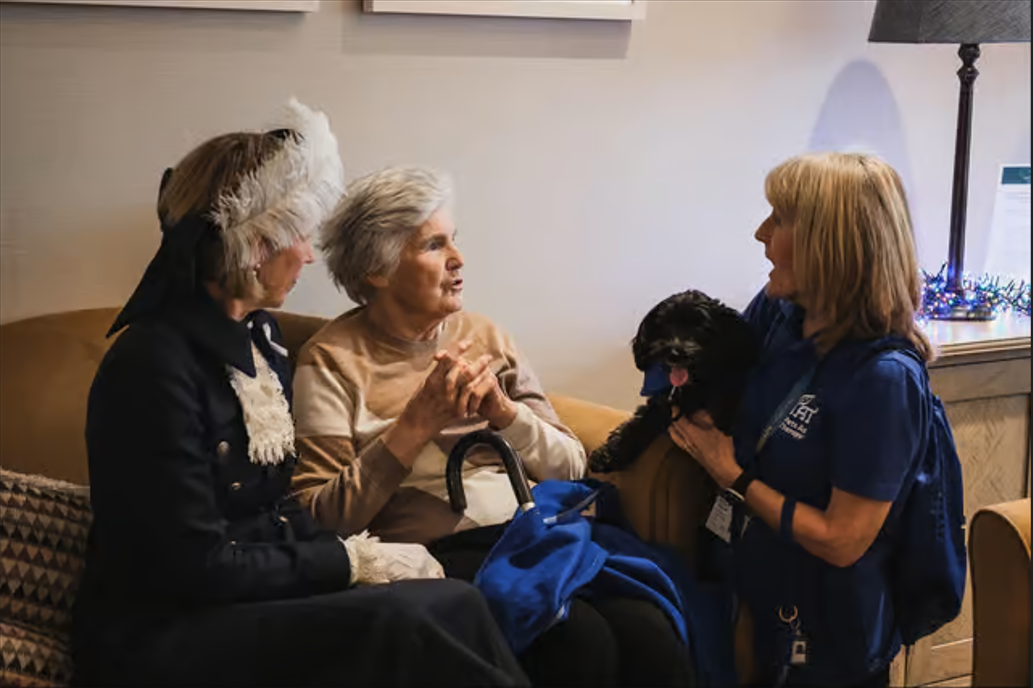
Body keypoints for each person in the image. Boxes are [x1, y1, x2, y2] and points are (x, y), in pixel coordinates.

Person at [71, 101, 529, 688]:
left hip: (245, 599)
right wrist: (350, 561)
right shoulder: (151, 365)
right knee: (404, 619)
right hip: (164, 631)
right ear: (253, 244)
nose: (309, 255)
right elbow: (193, 566)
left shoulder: (260, 336)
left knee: (456, 601)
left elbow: (272, 507)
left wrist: (358, 558)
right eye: (298, 236)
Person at [290, 166, 696, 688]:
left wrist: (506, 413)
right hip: (434, 556)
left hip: (532, 533)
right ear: (377, 269)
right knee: (578, 642)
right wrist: (415, 424)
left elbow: (572, 464)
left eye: (452, 241)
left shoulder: (485, 335)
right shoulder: (331, 361)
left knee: (652, 635)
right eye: (434, 246)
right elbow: (321, 519)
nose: (458, 261)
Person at [668, 152, 936, 687]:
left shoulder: (883, 379)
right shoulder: (780, 313)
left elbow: (842, 540)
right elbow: (712, 370)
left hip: (828, 633)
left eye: (779, 219)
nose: (759, 232)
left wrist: (733, 476)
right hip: (754, 593)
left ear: (829, 243)